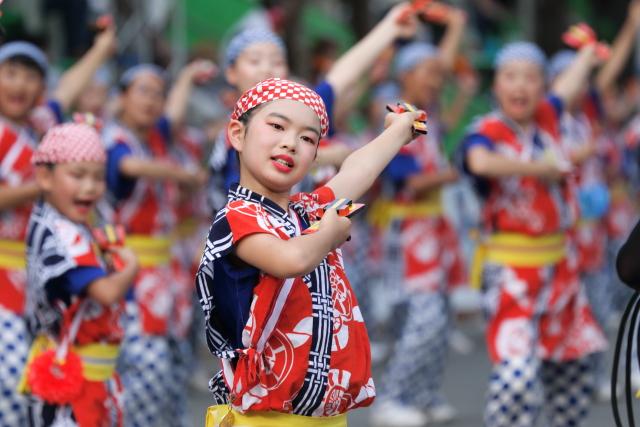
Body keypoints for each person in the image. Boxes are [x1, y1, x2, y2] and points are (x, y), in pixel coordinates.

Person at [195, 77, 422, 426]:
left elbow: (359, 169)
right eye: (276, 126)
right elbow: (292, 259)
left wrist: (398, 130)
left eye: (307, 138)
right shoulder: (237, 218)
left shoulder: (306, 211)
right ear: (237, 134)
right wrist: (328, 234)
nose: (291, 143)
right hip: (266, 419)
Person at [459, 42, 608, 427]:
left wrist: (590, 55)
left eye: (530, 77)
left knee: (570, 379)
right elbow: (479, 162)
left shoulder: (547, 119)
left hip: (560, 270)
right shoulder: (486, 130)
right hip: (511, 275)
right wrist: (541, 170)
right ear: (497, 85)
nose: (520, 85)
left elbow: (571, 84)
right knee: (517, 379)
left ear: (543, 86)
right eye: (511, 76)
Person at [0, 25, 116, 426]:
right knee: (11, 386)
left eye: (31, 75)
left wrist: (101, 48)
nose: (21, 83)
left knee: (42, 374)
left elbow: (68, 87)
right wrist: (47, 181)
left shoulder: (38, 125)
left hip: (42, 275)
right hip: (3, 278)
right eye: (10, 72)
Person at [208, 2, 419, 210]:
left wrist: (391, 27)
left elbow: (343, 75)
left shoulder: (302, 109)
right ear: (231, 73)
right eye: (254, 61)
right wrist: (321, 156)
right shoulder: (234, 132)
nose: (267, 69)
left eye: (277, 62)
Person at [369, 7, 470, 424]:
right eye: (427, 72)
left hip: (434, 228)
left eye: (437, 74)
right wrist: (451, 173)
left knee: (440, 316)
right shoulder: (395, 113)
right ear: (405, 75)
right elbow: (406, 181)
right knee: (424, 316)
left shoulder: (425, 118)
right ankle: (394, 398)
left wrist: (457, 27)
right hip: (408, 230)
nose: (436, 78)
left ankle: (423, 393)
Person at [100, 61, 208, 427]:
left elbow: (174, 111)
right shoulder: (113, 139)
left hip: (165, 269)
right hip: (130, 272)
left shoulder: (155, 137)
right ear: (121, 98)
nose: (152, 100)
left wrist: (187, 77)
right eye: (142, 91)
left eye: (157, 93)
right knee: (146, 367)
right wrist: (180, 173)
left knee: (175, 363)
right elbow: (129, 167)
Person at [22, 122, 139, 426]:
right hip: (72, 386)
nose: (90, 187)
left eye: (99, 177)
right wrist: (132, 266)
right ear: (45, 177)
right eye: (78, 175)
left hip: (90, 379)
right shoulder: (62, 234)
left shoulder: (65, 223)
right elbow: (106, 292)